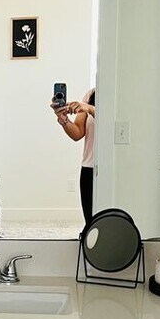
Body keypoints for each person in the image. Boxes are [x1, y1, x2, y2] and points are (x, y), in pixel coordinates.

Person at [51, 89, 95, 227]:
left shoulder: (120, 91)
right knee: (91, 225)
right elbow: (77, 133)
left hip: (112, 171)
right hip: (89, 169)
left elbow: (112, 122)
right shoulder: (91, 94)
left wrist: (90, 109)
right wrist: (63, 119)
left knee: (111, 223)